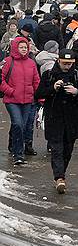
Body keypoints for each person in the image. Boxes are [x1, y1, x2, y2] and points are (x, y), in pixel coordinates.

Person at [36, 50, 78, 193]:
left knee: (68, 150)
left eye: (70, 64)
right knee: (56, 149)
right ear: (58, 61)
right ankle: (59, 178)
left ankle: (62, 174)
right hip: (54, 118)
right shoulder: (49, 74)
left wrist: (76, 92)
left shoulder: (77, 75)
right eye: (65, 63)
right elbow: (39, 93)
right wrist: (53, 88)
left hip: (71, 119)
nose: (67, 66)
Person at [2, 36, 40, 165]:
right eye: (21, 47)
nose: (24, 49)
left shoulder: (31, 63)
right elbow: (0, 79)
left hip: (28, 100)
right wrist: (10, 91)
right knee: (18, 124)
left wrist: (39, 96)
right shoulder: (7, 61)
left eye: (25, 47)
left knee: (21, 126)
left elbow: (36, 81)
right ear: (15, 48)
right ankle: (18, 154)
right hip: (12, 100)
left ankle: (13, 144)